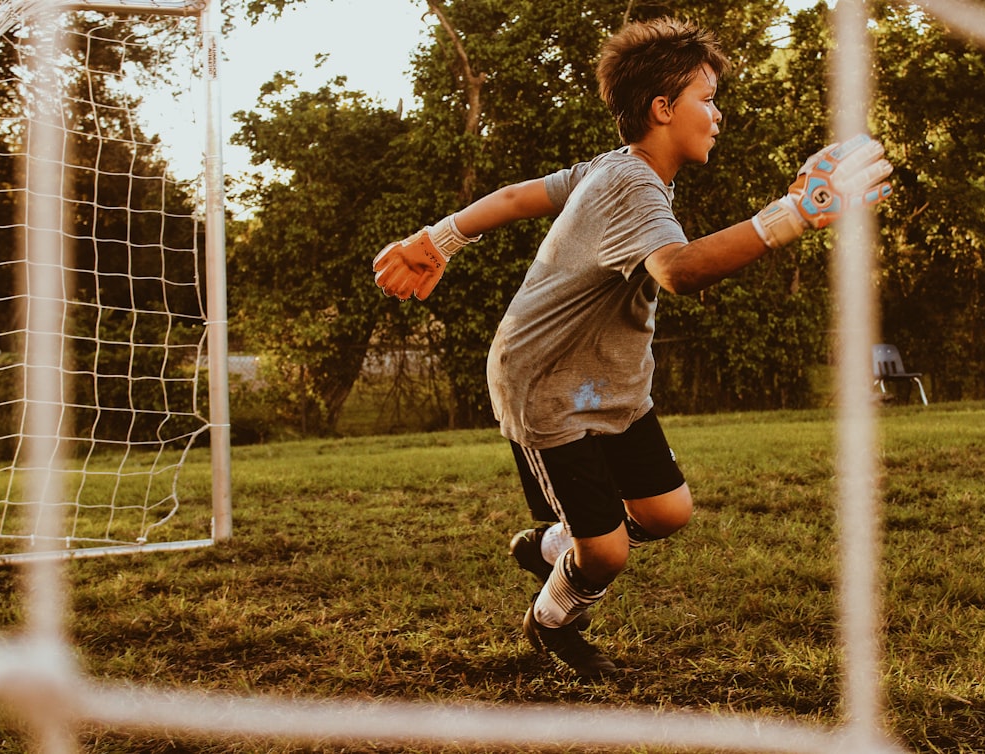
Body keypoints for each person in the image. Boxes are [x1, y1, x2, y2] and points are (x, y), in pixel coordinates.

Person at [372, 16, 892, 679]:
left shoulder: (613, 169)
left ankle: (556, 543)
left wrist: (437, 239)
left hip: (606, 385)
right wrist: (792, 214)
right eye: (707, 99)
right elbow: (678, 271)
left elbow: (513, 197)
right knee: (609, 553)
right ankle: (552, 618)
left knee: (667, 512)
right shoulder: (630, 184)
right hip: (550, 389)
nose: (718, 115)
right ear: (661, 108)